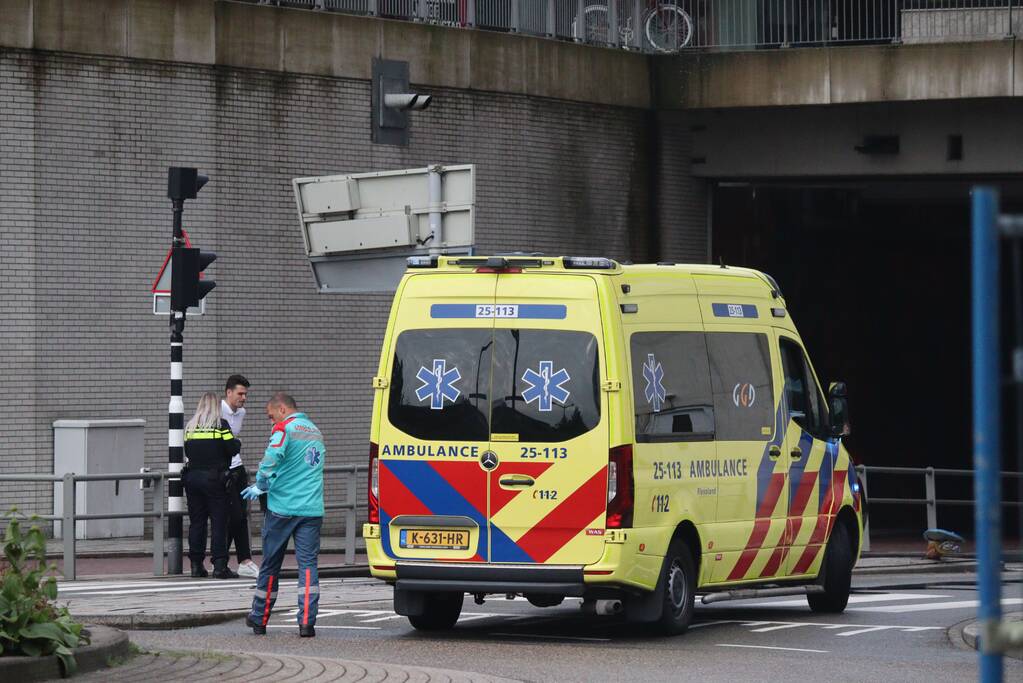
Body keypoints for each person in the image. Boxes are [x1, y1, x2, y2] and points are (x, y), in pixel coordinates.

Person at [242, 392, 325, 638]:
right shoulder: (315, 431)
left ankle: (259, 618)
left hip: (282, 509)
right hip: (311, 509)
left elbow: (272, 458)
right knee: (308, 567)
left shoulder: (284, 428)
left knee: (270, 565)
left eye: (270, 416)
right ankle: (307, 623)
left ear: (281, 409)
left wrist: (261, 483)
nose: (271, 422)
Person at [183, 391, 240, 579]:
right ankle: (220, 565)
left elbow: (189, 451)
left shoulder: (190, 428)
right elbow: (231, 449)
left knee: (197, 522)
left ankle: (196, 565)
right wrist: (236, 443)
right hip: (215, 479)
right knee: (218, 522)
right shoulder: (220, 426)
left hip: (192, 479)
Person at [221, 374, 259, 578]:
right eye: (240, 393)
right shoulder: (217, 411)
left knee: (240, 515)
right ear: (229, 392)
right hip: (223, 471)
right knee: (233, 516)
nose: (243, 398)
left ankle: (234, 561)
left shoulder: (241, 413)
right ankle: (238, 560)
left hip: (238, 468)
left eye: (245, 394)